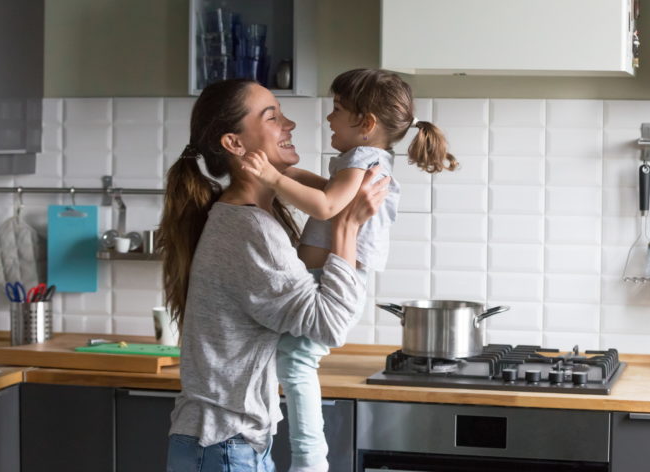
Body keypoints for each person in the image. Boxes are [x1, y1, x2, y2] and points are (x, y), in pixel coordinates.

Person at [158, 78, 389, 472]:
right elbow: (328, 325)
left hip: (227, 443)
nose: (290, 125)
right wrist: (347, 226)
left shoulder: (251, 217)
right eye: (273, 117)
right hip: (224, 446)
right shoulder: (250, 229)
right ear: (235, 144)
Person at [241, 68, 458, 472]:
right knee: (291, 358)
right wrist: (284, 172)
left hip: (334, 282)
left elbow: (326, 207)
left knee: (296, 362)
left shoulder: (363, 159)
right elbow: (329, 193)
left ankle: (309, 458)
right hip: (326, 280)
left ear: (366, 124)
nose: (328, 118)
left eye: (337, 109)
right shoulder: (363, 160)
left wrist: (272, 174)